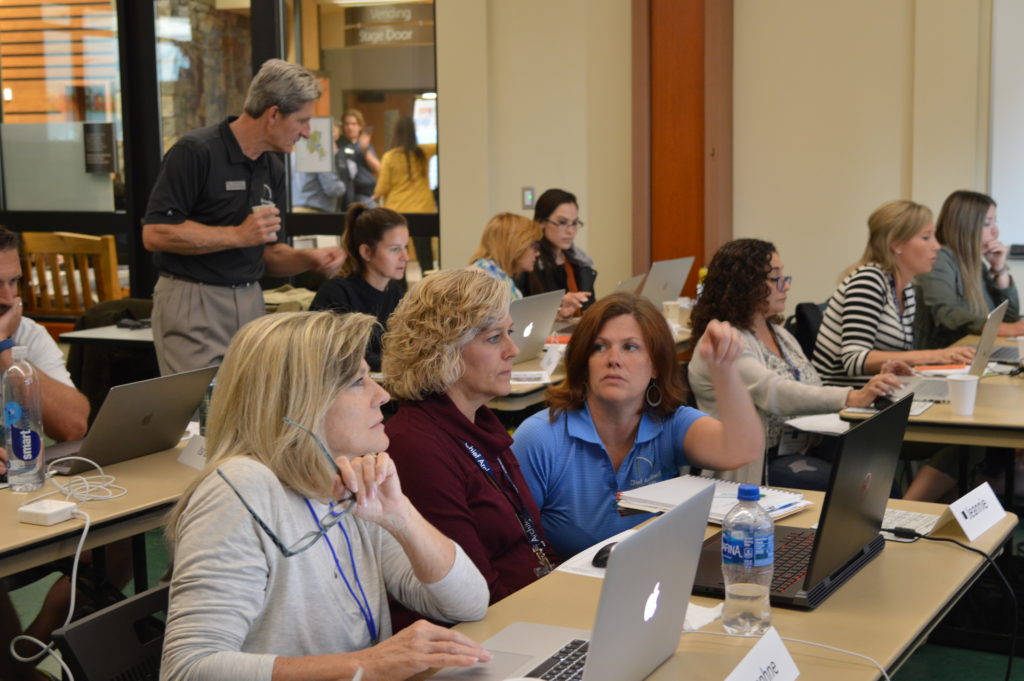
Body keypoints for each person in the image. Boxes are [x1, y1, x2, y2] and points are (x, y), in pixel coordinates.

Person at [161, 311, 490, 681]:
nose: (382, 395)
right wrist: (367, 666)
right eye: (357, 382)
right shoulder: (238, 489)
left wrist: (400, 514)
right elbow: (186, 670)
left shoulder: (342, 477)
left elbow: (470, 603)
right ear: (300, 402)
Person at [511, 293, 763, 558]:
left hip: (645, 580)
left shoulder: (669, 423)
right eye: (599, 347)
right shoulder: (540, 437)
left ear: (656, 364)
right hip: (563, 586)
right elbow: (511, 545)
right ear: (583, 364)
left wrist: (723, 368)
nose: (613, 359)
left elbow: (741, 449)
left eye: (630, 347)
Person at [142, 59, 345, 376]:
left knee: (249, 409)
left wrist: (310, 259)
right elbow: (156, 234)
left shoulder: (272, 168)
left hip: (250, 298)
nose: (307, 133)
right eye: (302, 121)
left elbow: (269, 253)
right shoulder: (196, 152)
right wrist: (237, 235)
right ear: (274, 114)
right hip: (194, 300)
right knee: (201, 410)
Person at [382, 269, 560, 613]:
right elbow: (477, 594)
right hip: (490, 631)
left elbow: (532, 543)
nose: (513, 349)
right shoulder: (415, 447)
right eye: (494, 338)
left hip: (532, 606)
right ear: (443, 350)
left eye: (508, 333)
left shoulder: (480, 424)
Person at [687, 239, 901, 488]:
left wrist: (867, 390)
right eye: (776, 279)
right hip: (756, 464)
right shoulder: (725, 341)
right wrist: (852, 397)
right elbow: (774, 393)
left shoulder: (780, 334)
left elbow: (812, 384)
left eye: (785, 277)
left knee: (879, 474)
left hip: (802, 448)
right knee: (860, 485)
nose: (785, 286)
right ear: (746, 285)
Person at [0, 226, 92, 681]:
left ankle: (33, 643)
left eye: (14, 282)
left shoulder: (26, 334)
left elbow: (75, 423)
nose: (7, 297)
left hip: (24, 491)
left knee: (111, 544)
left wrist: (4, 351)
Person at [812, 199, 975, 387]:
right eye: (926, 237)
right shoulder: (868, 281)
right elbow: (855, 360)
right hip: (845, 404)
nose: (937, 246)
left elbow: (897, 360)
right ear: (896, 244)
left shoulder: (906, 289)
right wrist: (936, 355)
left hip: (884, 393)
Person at [916, 190, 1023, 349]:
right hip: (944, 358)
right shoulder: (938, 259)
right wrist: (1004, 328)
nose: (996, 232)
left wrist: (999, 269)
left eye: (995, 222)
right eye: (987, 223)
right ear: (964, 225)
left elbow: (1008, 319)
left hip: (972, 353)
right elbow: (947, 314)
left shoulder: (976, 264)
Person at [310, 204, 409, 371]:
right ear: (366, 252)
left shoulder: (394, 291)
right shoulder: (336, 293)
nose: (405, 257)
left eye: (405, 247)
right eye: (394, 249)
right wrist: (395, 365)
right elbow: (340, 354)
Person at [515, 188, 593, 319]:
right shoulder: (527, 263)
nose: (570, 231)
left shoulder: (580, 263)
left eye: (574, 223)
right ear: (540, 223)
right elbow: (517, 314)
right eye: (562, 222)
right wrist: (556, 308)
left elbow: (588, 309)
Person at [468, 212, 541, 300]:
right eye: (534, 246)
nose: (538, 253)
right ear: (516, 245)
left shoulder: (500, 274)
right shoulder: (483, 279)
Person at [372, 116, 437, 214]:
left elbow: (382, 188)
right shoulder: (424, 152)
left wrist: (375, 196)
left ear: (396, 133)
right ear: (413, 131)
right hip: (424, 208)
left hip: (397, 209)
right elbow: (443, 145)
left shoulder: (389, 157)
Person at [337, 108, 380, 208]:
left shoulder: (365, 146)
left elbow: (377, 168)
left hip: (365, 193)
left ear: (360, 126)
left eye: (353, 124)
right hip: (345, 194)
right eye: (347, 124)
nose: (349, 127)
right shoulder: (338, 145)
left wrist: (364, 150)